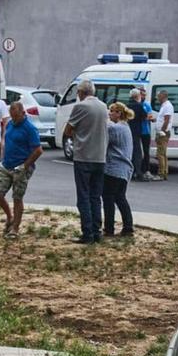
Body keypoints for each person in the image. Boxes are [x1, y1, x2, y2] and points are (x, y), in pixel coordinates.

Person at [63, 79, 108, 243]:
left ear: (81, 92)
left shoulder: (80, 106)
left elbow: (68, 130)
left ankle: (87, 233)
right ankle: (97, 231)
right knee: (96, 196)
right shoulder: (104, 107)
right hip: (100, 157)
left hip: (84, 156)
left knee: (83, 196)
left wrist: (77, 133)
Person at [0, 102, 43, 238]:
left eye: (16, 116)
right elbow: (5, 138)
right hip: (6, 165)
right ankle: (10, 216)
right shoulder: (10, 124)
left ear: (23, 113)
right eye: (12, 116)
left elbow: (38, 150)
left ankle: (15, 228)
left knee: (17, 197)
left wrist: (25, 166)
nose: (14, 119)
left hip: (21, 167)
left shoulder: (29, 128)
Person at [102, 102, 135, 236]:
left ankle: (109, 228)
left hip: (114, 168)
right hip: (124, 169)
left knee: (108, 198)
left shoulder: (116, 129)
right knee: (120, 198)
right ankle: (128, 226)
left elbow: (106, 128)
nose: (109, 114)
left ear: (119, 113)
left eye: (112, 111)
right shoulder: (126, 127)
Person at [124, 88, 145, 181]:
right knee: (137, 152)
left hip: (128, 130)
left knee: (129, 151)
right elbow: (144, 116)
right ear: (137, 96)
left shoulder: (127, 106)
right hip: (136, 131)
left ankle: (130, 172)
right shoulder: (139, 106)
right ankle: (138, 172)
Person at [153, 90, 174, 180]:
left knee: (160, 154)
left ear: (163, 96)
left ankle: (161, 174)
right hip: (162, 131)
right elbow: (162, 119)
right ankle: (164, 172)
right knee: (163, 153)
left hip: (163, 133)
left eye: (159, 96)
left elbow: (167, 119)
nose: (157, 98)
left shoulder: (167, 106)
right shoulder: (164, 106)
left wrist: (162, 131)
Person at [138, 88, 154, 180]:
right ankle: (138, 169)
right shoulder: (137, 105)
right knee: (137, 151)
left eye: (144, 95)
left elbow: (150, 116)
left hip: (145, 131)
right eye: (141, 94)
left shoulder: (147, 105)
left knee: (146, 151)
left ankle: (146, 170)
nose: (143, 96)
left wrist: (146, 117)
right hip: (137, 131)